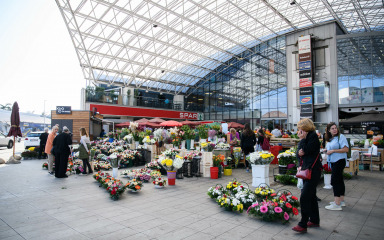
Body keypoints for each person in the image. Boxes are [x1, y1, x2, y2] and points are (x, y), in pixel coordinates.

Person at [292, 118, 321, 233]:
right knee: (312, 196)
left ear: (305, 128)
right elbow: (298, 152)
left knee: (304, 197)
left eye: (300, 128)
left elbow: (307, 150)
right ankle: (314, 220)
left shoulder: (313, 137)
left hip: (313, 171)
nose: (299, 131)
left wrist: (302, 143)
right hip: (306, 170)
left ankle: (303, 224)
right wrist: (299, 152)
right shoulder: (304, 138)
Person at [324, 122, 349, 211]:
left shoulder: (341, 137)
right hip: (333, 161)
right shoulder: (331, 139)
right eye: (332, 128)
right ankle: (341, 201)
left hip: (339, 160)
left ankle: (337, 204)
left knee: (335, 181)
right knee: (339, 180)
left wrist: (333, 150)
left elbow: (346, 149)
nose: (335, 130)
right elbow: (329, 149)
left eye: (335, 128)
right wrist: (326, 150)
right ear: (329, 130)